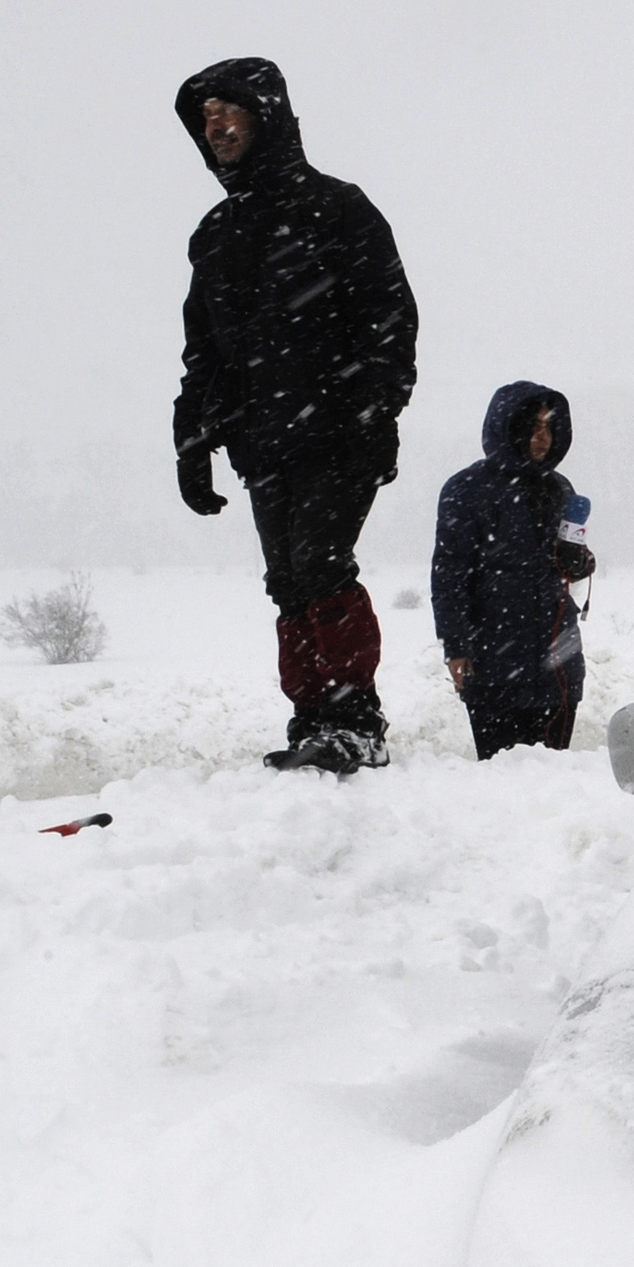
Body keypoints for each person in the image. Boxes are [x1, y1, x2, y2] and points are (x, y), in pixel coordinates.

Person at [169, 57, 419, 775]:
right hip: (264, 442)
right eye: (206, 117)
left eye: (229, 111)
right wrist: (193, 439)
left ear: (266, 117)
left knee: (322, 565)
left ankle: (353, 721)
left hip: (341, 431)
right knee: (286, 580)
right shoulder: (215, 234)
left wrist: (373, 407)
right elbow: (204, 352)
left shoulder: (339, 208)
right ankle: (313, 715)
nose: (216, 126)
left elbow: (390, 319)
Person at [432, 382, 595, 757]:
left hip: (558, 665)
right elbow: (449, 575)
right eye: (533, 426)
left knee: (554, 787)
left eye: (550, 427)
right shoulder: (466, 489)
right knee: (501, 784)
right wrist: (456, 646)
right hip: (494, 665)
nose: (543, 437)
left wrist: (580, 561)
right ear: (506, 427)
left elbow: (567, 561)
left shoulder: (560, 487)